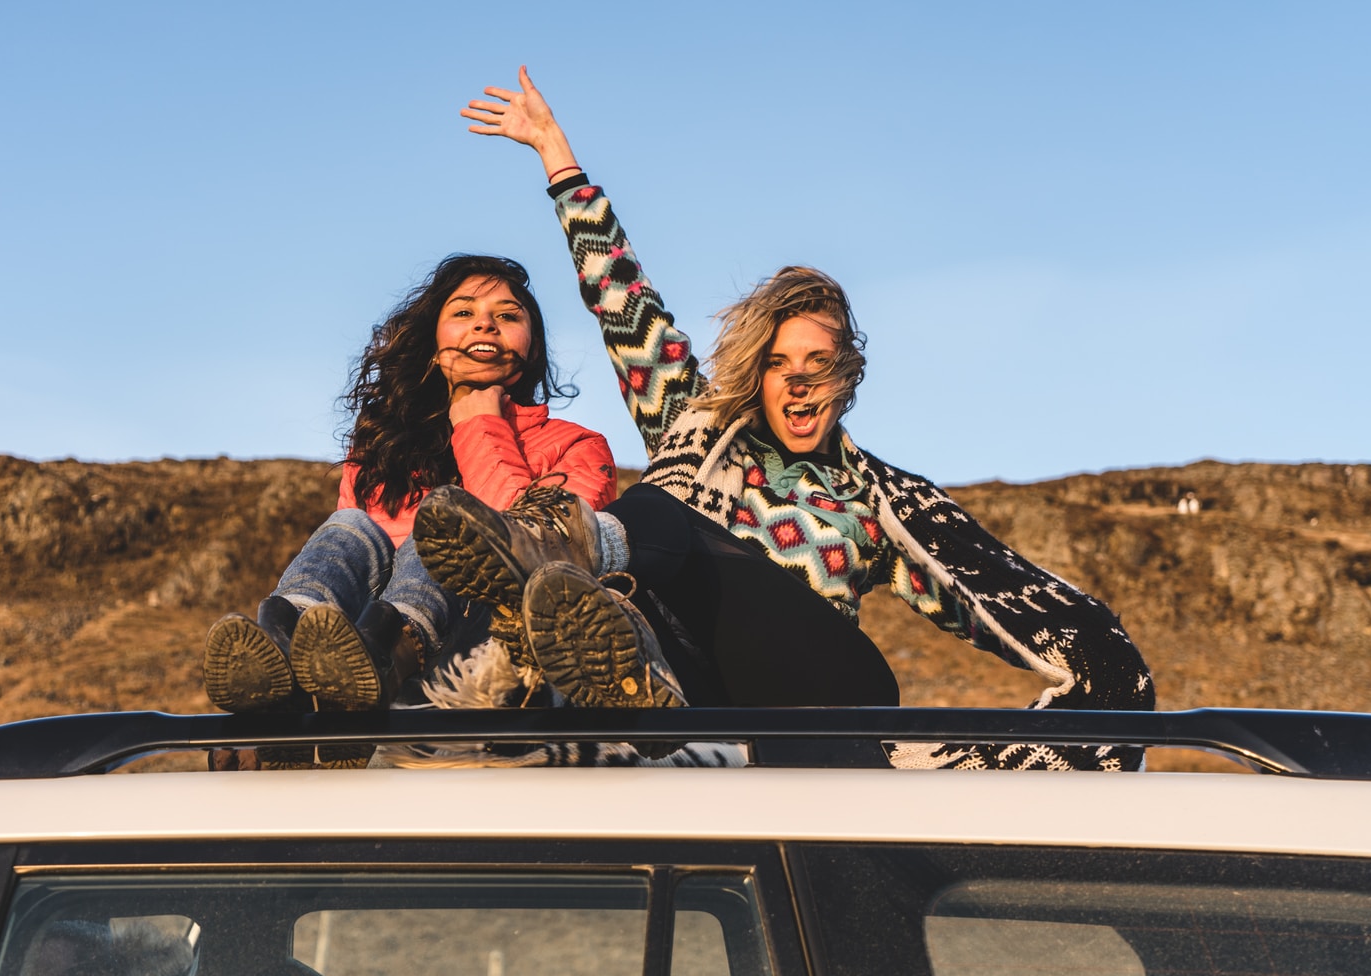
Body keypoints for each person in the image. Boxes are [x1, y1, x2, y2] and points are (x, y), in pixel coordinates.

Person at [416, 69, 1154, 770]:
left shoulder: (876, 500)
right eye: (778, 365)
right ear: (757, 376)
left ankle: (562, 542)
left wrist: (1065, 713)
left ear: (848, 378)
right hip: (709, 696)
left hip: (824, 693)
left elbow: (1008, 591)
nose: (797, 385)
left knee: (654, 513)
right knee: (665, 500)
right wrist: (556, 155)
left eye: (818, 366)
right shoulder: (698, 424)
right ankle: (621, 675)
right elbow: (622, 300)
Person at [202, 253, 618, 713]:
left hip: (483, 657)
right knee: (348, 528)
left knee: (444, 525)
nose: (485, 325)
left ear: (532, 347)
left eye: (507, 315)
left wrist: (480, 425)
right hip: (349, 650)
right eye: (463, 313)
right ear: (433, 345)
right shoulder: (381, 448)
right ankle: (283, 660)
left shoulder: (578, 446)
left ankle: (394, 648)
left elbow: (539, 554)